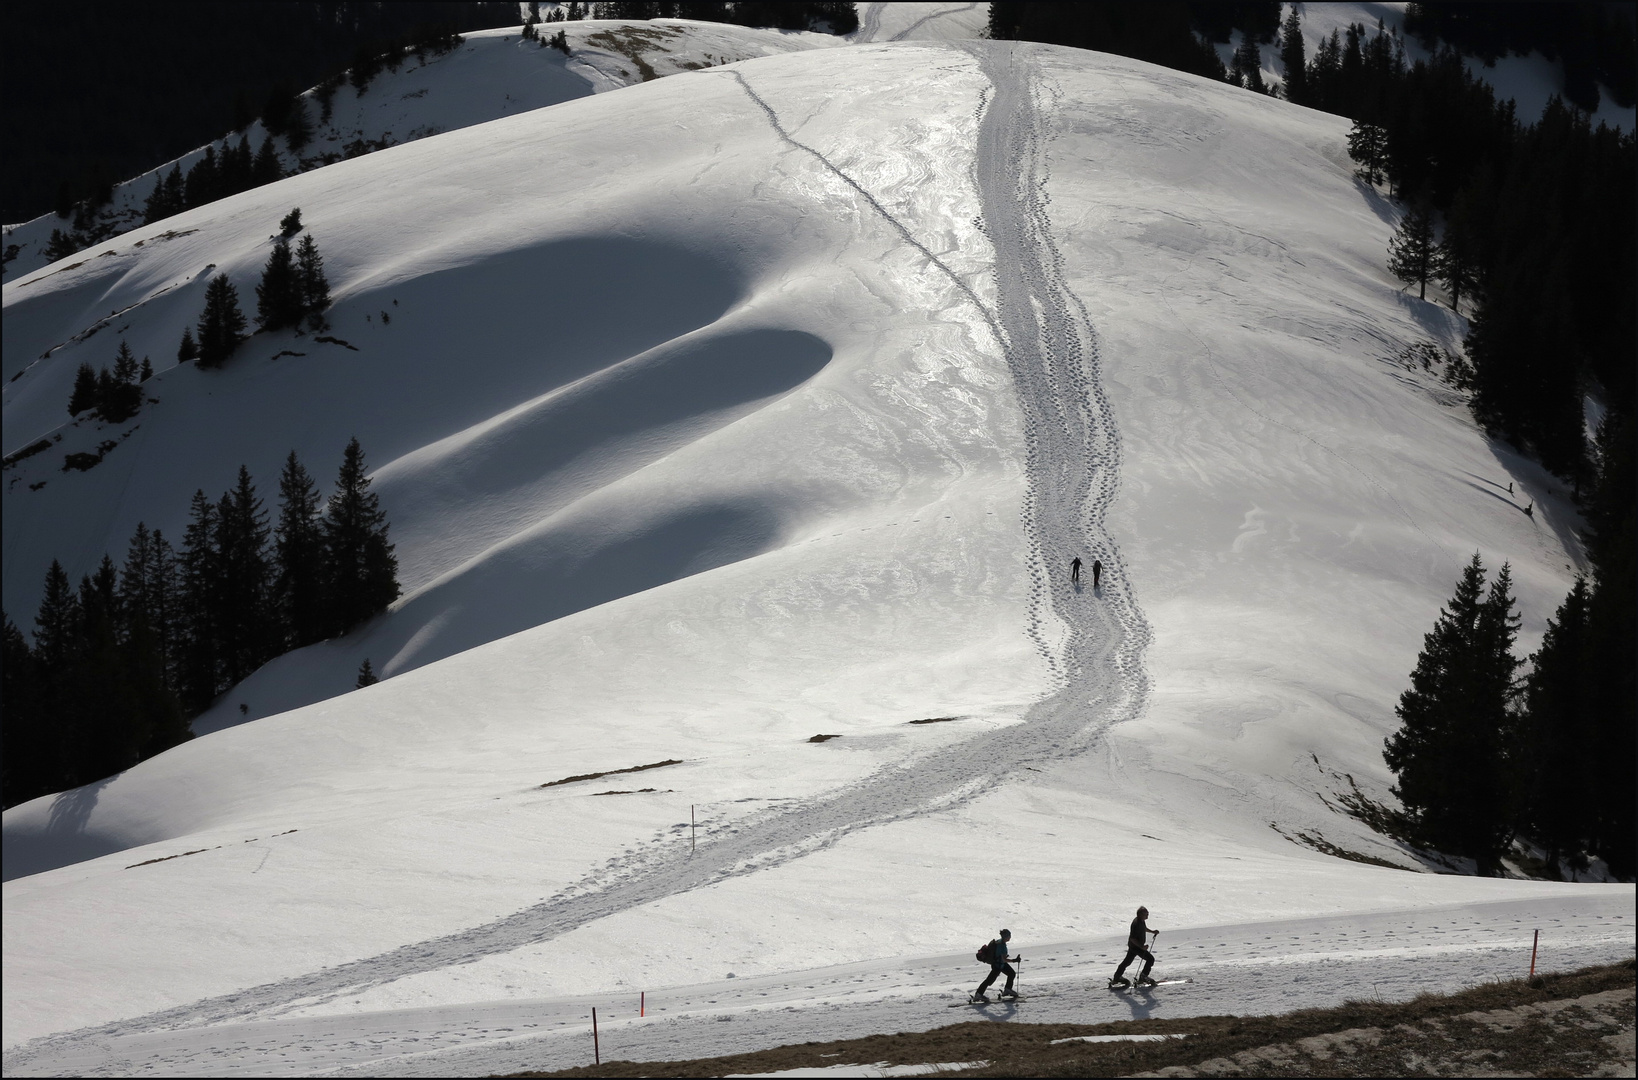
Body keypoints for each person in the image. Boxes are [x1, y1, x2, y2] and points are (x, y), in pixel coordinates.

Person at [1109, 906, 1157, 988]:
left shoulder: (1141, 921)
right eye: (1146, 913)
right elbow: (1132, 938)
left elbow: (1143, 928)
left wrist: (1152, 931)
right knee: (1150, 959)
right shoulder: (1136, 923)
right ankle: (1143, 976)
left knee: (1127, 962)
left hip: (1133, 947)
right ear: (1141, 914)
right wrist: (1142, 947)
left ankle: (1117, 976)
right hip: (1136, 947)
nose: (1147, 915)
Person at [974, 928, 1020, 1002]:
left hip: (1000, 964)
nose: (1010, 937)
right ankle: (978, 994)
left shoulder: (1000, 942)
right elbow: (1004, 959)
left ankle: (1007, 989)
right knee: (989, 981)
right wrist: (1014, 960)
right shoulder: (1001, 945)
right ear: (1005, 936)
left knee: (1011, 973)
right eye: (1009, 936)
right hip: (998, 966)